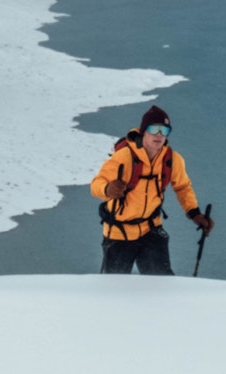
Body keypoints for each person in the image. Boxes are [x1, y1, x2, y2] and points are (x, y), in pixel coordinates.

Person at [91, 104, 214, 274]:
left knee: (161, 285)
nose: (159, 135)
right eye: (154, 129)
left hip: (151, 229)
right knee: (115, 290)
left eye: (164, 130)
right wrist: (107, 189)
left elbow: (183, 187)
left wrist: (195, 213)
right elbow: (96, 184)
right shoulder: (124, 157)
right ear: (143, 131)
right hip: (119, 233)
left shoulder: (171, 159)